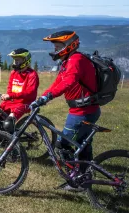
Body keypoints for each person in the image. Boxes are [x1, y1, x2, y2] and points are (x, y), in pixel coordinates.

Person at [31, 31, 99, 191]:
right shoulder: (68, 61)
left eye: (58, 46)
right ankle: (84, 178)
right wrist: (42, 97)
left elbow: (67, 83)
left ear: (69, 45)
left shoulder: (76, 60)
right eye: (55, 46)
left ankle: (75, 179)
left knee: (63, 145)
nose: (55, 49)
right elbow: (57, 83)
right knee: (83, 145)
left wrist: (47, 98)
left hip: (83, 112)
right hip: (84, 110)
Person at [0, 48, 39, 153]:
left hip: (24, 103)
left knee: (8, 123)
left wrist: (11, 96)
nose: (16, 62)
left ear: (26, 61)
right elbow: (9, 89)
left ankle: (13, 150)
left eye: (18, 60)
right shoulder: (13, 73)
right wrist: (8, 97)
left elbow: (30, 93)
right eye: (15, 60)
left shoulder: (32, 75)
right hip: (11, 101)